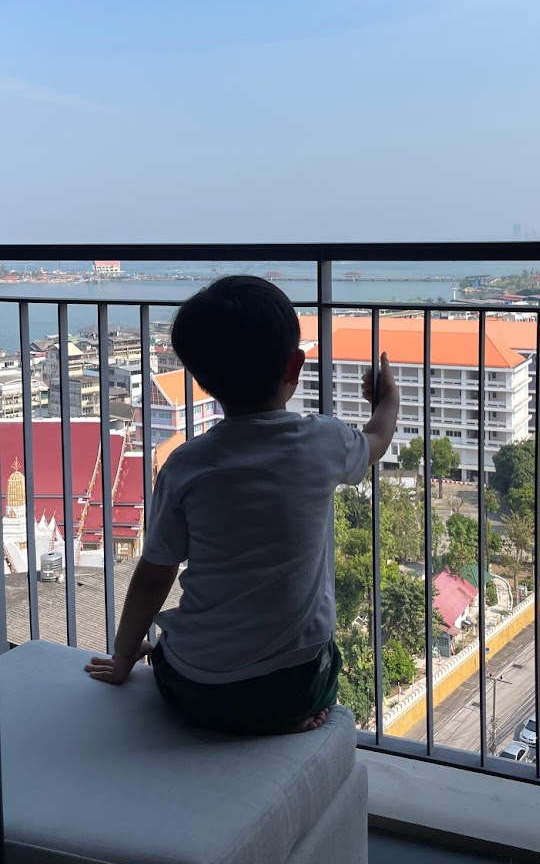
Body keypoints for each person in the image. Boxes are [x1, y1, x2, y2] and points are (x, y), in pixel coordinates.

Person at [85, 275, 399, 735]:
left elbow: (154, 576)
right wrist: (388, 399)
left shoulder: (186, 466)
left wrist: (121, 657)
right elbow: (377, 439)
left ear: (202, 380)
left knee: (166, 652)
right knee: (324, 655)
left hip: (197, 689)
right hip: (295, 686)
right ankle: (287, 718)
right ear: (294, 366)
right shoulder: (323, 442)